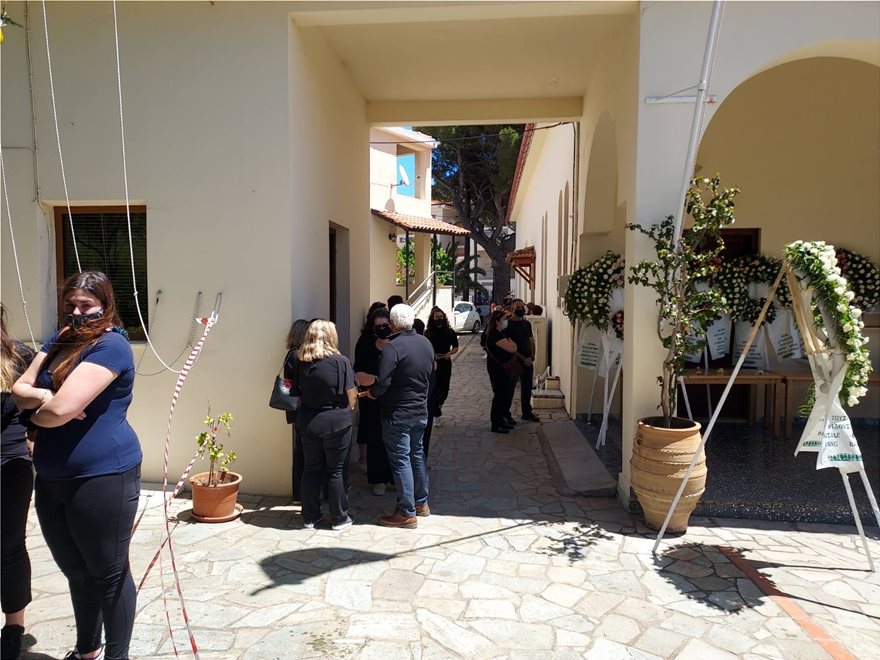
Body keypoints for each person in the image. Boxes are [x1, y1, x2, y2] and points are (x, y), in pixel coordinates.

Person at [12, 271, 142, 660]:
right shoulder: (61, 338)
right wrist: (44, 399)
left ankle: (117, 656)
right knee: (76, 571)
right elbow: (19, 391)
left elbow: (59, 413)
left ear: (105, 304)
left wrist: (39, 412)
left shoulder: (112, 346)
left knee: (109, 574)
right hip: (52, 476)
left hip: (102, 476)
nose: (77, 312)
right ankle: (87, 650)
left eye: (86, 305)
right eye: (70, 304)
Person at [367, 304, 434, 528]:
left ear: (394, 323)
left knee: (401, 460)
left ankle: (406, 511)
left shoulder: (392, 348)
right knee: (417, 456)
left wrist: (372, 393)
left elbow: (382, 382)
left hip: (398, 413)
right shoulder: (425, 343)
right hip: (420, 410)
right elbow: (430, 375)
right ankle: (421, 503)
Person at [292, 320, 358, 530]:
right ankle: (339, 518)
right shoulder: (341, 362)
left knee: (311, 469)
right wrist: (350, 407)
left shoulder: (300, 361)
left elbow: (296, 392)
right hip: (336, 421)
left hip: (308, 422)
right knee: (336, 470)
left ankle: (310, 517)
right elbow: (351, 394)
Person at [1, 305, 36, 660]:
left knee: (9, 546)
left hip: (9, 466)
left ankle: (13, 628)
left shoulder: (19, 355)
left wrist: (35, 439)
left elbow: (39, 402)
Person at [353, 308, 394, 496]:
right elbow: (358, 374)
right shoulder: (367, 348)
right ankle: (379, 480)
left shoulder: (397, 347)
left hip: (394, 404)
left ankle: (394, 477)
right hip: (372, 402)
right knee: (375, 441)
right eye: (379, 326)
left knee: (394, 442)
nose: (383, 328)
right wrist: (379, 381)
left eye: (386, 325)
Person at [283, 319, 312, 504]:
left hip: (296, 408)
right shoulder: (297, 356)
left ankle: (298, 494)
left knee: (300, 451)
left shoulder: (290, 355)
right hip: (301, 407)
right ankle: (300, 494)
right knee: (302, 452)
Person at [484, 309, 519, 433]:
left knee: (504, 396)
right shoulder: (495, 335)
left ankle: (501, 421)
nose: (506, 322)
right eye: (504, 319)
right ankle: (496, 423)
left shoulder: (500, 333)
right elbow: (513, 348)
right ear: (497, 321)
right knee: (499, 396)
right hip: (498, 370)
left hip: (502, 370)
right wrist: (511, 342)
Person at [506, 299, 540, 422]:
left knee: (527, 388)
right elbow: (509, 345)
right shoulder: (507, 325)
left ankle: (527, 412)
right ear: (512, 309)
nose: (520, 309)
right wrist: (522, 358)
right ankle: (506, 414)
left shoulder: (527, 324)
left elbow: (531, 340)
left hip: (528, 361)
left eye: (522, 307)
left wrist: (532, 356)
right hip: (514, 361)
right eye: (517, 307)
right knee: (510, 388)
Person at [424, 307, 458, 425]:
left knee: (444, 389)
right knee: (434, 388)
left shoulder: (449, 332)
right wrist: (432, 355)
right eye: (436, 317)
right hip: (433, 363)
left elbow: (455, 347)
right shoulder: (428, 333)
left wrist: (449, 353)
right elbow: (425, 348)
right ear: (432, 318)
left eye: (441, 317)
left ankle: (438, 406)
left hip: (445, 363)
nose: (439, 319)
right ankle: (436, 413)